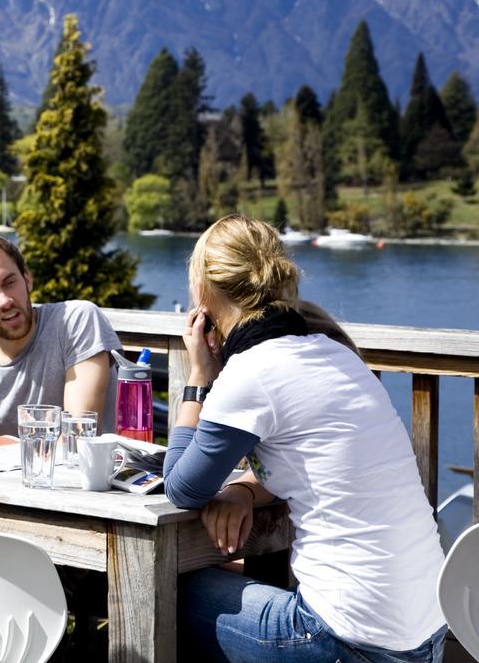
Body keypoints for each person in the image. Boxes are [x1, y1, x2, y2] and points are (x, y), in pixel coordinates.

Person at [163, 214, 446, 662]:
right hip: (427, 636)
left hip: (346, 641)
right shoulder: (335, 353)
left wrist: (198, 378)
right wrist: (242, 490)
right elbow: (320, 465)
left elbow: (181, 487)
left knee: (174, 589)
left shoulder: (251, 372)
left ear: (202, 295)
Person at [0, 232, 121, 436]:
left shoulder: (76, 321)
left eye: (9, 283)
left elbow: (77, 436)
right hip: (12, 467)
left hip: (98, 468)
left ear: (27, 279)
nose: (5, 300)